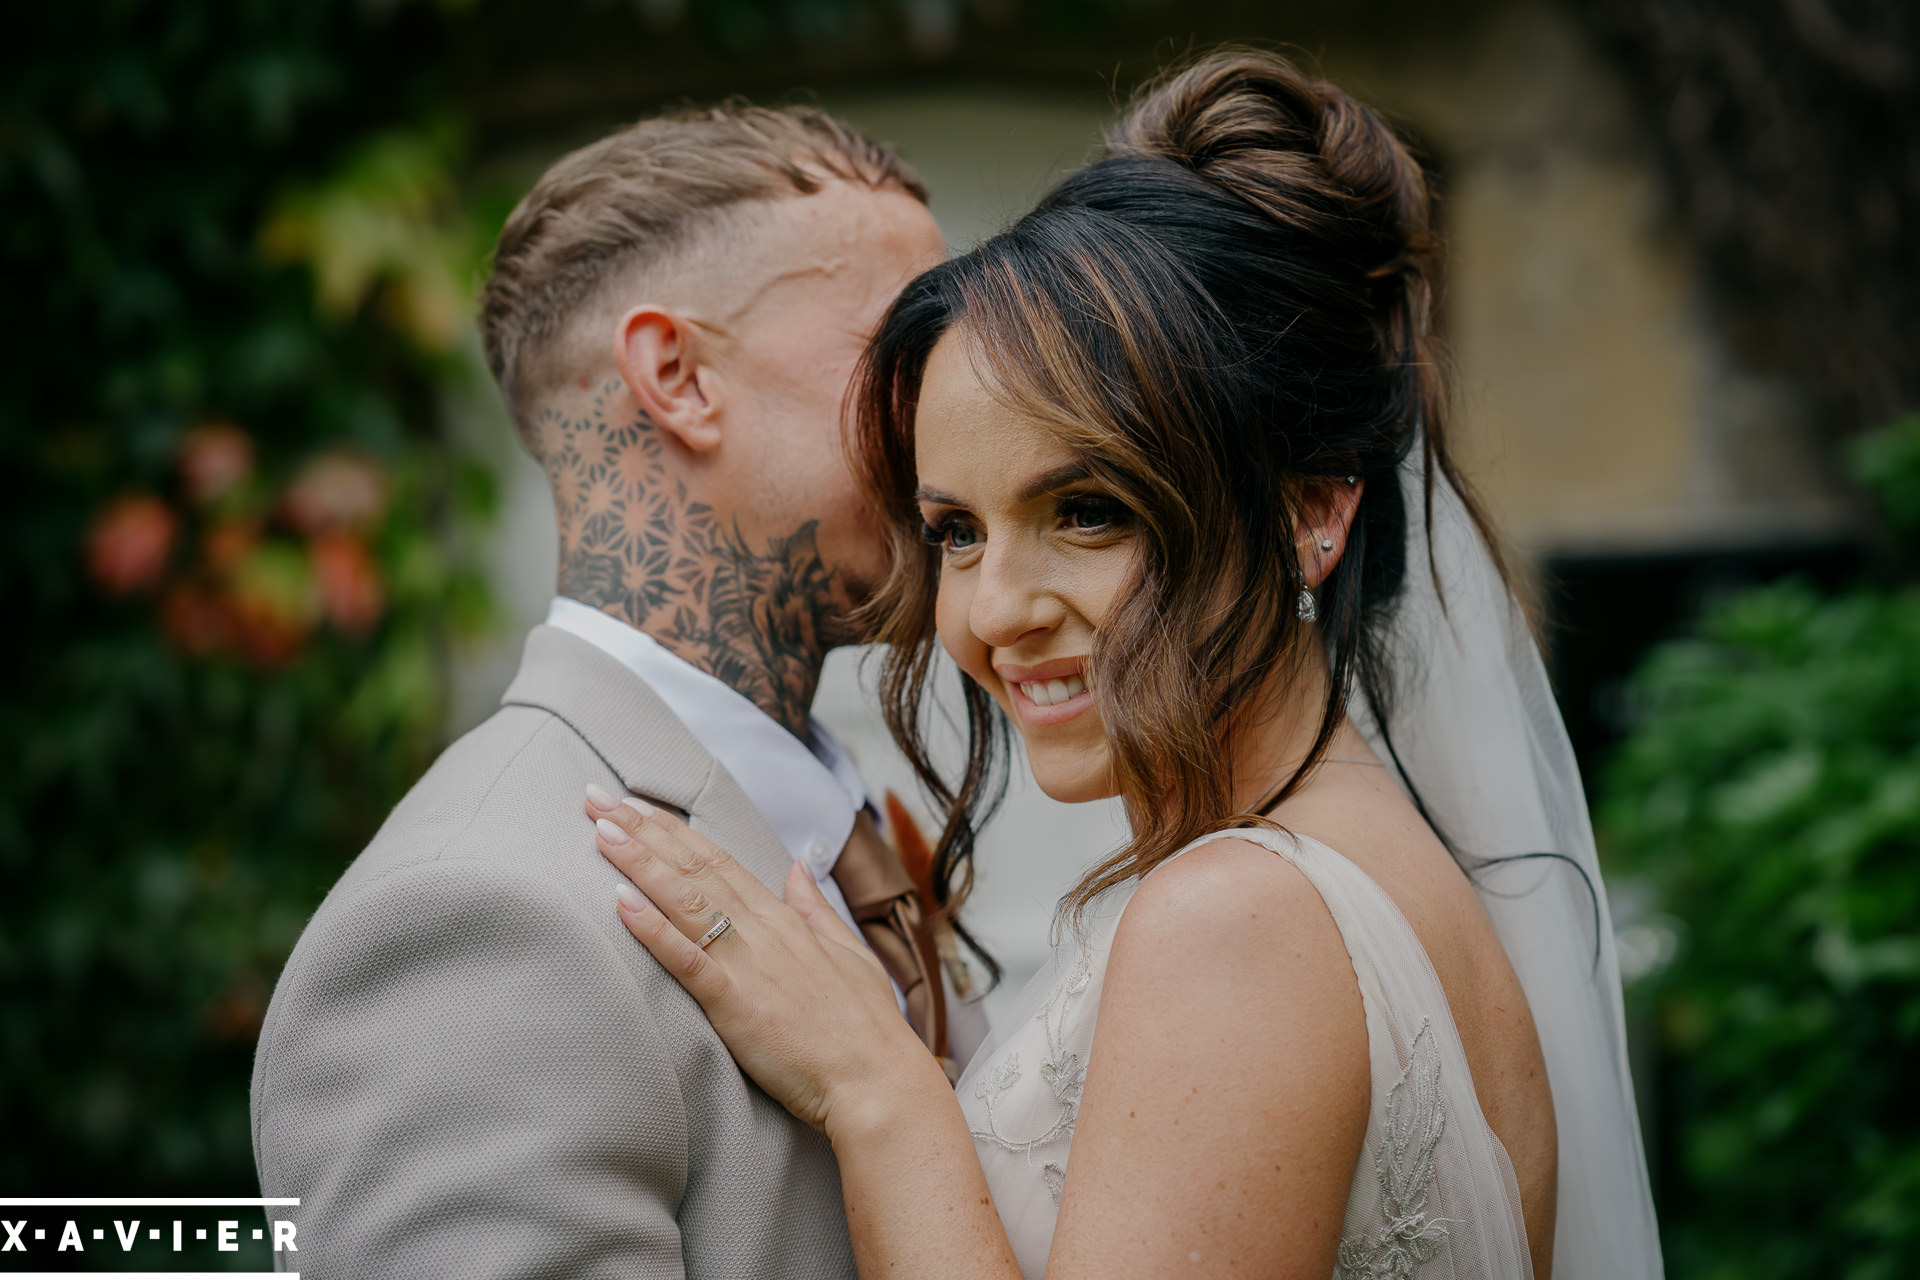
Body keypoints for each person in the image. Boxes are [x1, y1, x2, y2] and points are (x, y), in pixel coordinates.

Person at [585, 50, 1664, 1279]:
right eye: (957, 531)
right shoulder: (1402, 865)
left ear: (1312, 509)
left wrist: (873, 1091)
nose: (996, 610)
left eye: (1090, 509)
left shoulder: (1238, 920)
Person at [250, 103, 967, 1277]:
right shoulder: (481, 925)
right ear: (677, 376)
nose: (962, 410)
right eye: (909, 356)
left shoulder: (845, 834)